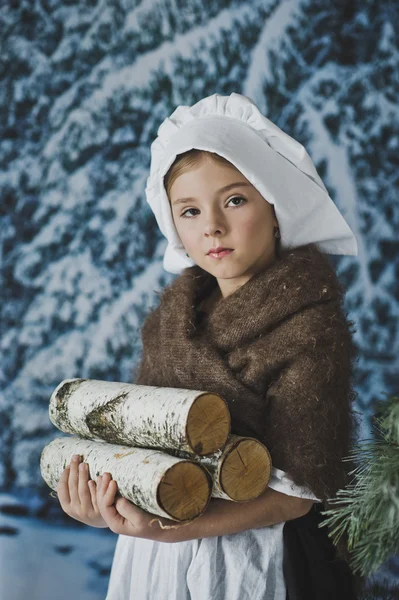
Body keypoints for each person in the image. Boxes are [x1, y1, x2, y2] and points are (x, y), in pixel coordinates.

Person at [57, 93, 363, 599]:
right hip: (155, 555)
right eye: (190, 210)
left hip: (254, 556)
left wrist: (173, 527)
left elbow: (297, 495)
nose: (212, 226)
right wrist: (107, 501)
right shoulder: (170, 323)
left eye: (235, 200)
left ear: (276, 206)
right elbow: (143, 449)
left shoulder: (309, 328)